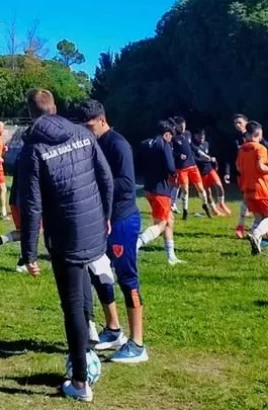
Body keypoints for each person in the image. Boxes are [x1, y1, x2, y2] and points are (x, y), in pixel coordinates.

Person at [18, 89, 113, 402]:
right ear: (54, 107)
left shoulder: (32, 149)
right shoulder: (82, 133)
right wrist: (105, 216)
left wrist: (28, 253)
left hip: (65, 236)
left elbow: (31, 205)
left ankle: (80, 380)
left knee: (71, 303)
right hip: (93, 228)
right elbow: (106, 178)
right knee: (84, 285)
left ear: (30, 114)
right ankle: (88, 344)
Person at [77, 100, 148, 363]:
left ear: (102, 120)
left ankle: (138, 344)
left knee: (127, 278)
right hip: (100, 220)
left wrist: (93, 182)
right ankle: (114, 328)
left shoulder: (118, 144)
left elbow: (128, 184)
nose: (86, 131)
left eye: (89, 126)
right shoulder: (92, 144)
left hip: (122, 220)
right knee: (98, 271)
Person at [136, 121, 184, 265]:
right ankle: (136, 244)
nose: (171, 140)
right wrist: (174, 177)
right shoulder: (164, 144)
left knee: (169, 220)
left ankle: (171, 257)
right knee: (161, 224)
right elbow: (170, 167)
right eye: (170, 137)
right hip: (161, 189)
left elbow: (137, 163)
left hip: (148, 187)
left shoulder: (145, 144)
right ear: (166, 134)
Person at [236, 121, 268, 255]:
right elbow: (260, 167)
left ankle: (256, 247)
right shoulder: (260, 148)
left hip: (247, 188)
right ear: (258, 134)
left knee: (258, 218)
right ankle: (256, 234)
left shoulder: (242, 149)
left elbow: (238, 167)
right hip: (261, 188)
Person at [171, 117, 212, 220]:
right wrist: (178, 155)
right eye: (180, 126)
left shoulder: (187, 134)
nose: (183, 128)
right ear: (176, 126)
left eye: (184, 126)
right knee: (185, 189)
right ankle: (185, 211)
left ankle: (205, 205)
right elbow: (170, 151)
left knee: (201, 188)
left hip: (192, 165)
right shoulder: (173, 137)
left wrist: (202, 154)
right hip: (181, 168)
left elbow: (193, 147)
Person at [192, 130, 230, 216]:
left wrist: (213, 161)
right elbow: (194, 159)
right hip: (201, 172)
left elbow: (209, 155)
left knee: (219, 186)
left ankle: (221, 203)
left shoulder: (206, 144)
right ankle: (213, 209)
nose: (201, 138)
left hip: (210, 169)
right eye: (199, 136)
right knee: (208, 192)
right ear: (195, 136)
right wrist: (205, 159)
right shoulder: (193, 146)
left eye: (203, 136)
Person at [232, 114, 251, 238]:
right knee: (246, 198)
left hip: (258, 173)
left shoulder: (254, 135)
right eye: (235, 123)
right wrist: (229, 172)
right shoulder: (236, 140)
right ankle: (240, 227)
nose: (237, 125)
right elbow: (233, 158)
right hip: (244, 174)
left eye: (240, 122)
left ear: (246, 122)